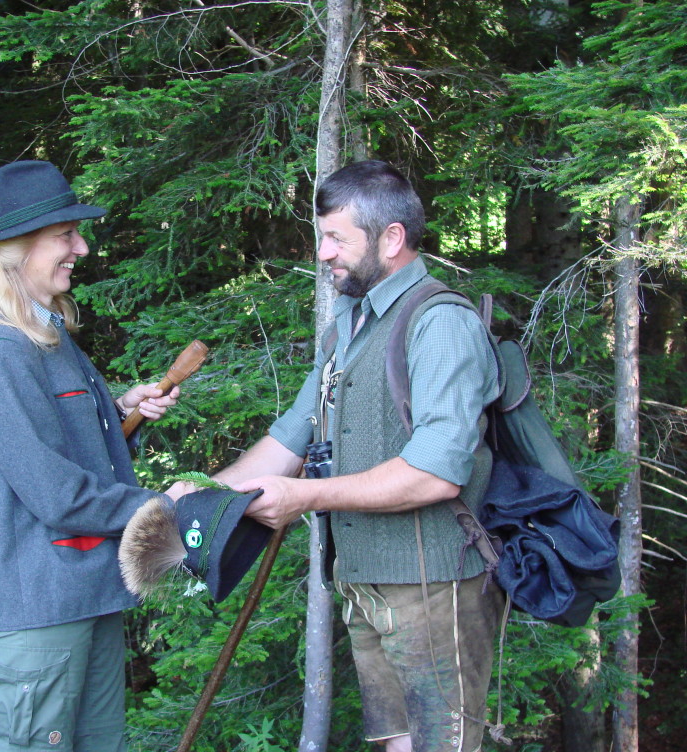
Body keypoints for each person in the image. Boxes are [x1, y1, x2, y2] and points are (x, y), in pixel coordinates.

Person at [176, 160, 505, 752]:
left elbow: (435, 472)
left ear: (392, 239)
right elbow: (286, 443)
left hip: (435, 590)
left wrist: (305, 497)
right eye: (320, 235)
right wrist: (197, 494)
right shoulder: (347, 327)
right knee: (394, 743)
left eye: (336, 238)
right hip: (364, 585)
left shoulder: (441, 324)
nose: (322, 252)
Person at [0, 157, 181, 752]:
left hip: (82, 594)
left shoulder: (46, 335)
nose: (81, 248)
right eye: (65, 235)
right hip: (39, 608)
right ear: (12, 250)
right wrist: (166, 504)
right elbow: (56, 494)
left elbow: (59, 448)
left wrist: (120, 416)